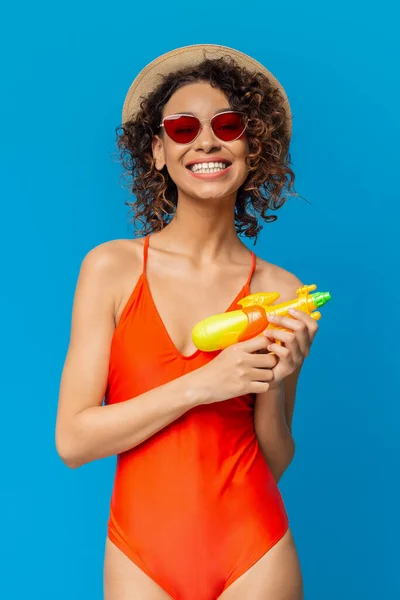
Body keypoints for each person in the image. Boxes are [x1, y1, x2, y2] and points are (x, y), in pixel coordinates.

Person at [55, 44, 319, 600]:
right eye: (182, 127)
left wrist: (276, 377)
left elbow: (274, 456)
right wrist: (201, 384)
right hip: (140, 555)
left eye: (228, 124)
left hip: (255, 548)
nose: (207, 140)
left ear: (252, 147)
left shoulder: (280, 290)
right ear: (156, 151)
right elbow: (73, 439)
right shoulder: (112, 268)